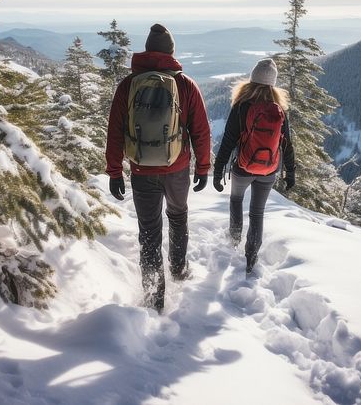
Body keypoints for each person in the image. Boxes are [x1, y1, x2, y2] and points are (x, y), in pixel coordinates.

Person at [106, 23, 212, 312]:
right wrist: (203, 168)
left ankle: (154, 299)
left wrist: (115, 171)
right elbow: (201, 131)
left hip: (141, 171)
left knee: (149, 232)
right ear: (171, 52)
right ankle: (178, 269)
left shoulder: (129, 85)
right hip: (177, 169)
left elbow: (115, 131)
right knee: (178, 216)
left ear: (147, 50)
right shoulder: (185, 85)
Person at [212, 58, 296, 275]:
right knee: (257, 213)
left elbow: (228, 141)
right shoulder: (279, 110)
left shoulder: (241, 106)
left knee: (236, 201)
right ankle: (251, 258)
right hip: (269, 170)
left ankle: (233, 241)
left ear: (251, 80)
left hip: (243, 168)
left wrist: (218, 170)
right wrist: (290, 172)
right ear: (272, 84)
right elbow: (287, 144)